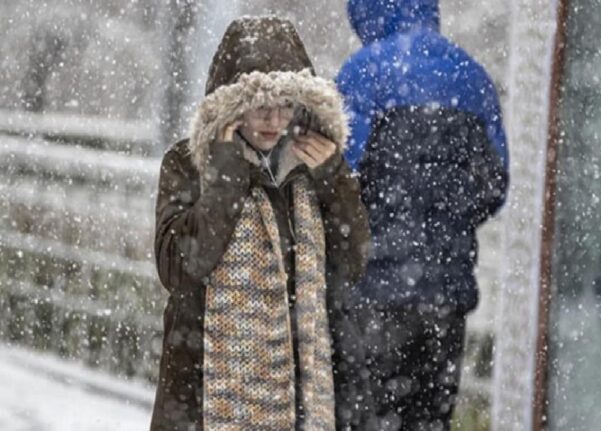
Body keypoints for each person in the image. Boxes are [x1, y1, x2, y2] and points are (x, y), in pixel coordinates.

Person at [150, 16, 372, 431]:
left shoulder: (313, 168)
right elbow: (180, 266)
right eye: (260, 106)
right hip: (201, 396)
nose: (273, 119)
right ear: (232, 106)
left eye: (285, 105)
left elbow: (354, 261)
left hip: (296, 397)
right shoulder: (188, 164)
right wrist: (227, 175)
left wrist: (334, 180)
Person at [336, 0, 509, 429]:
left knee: (365, 417)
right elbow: (494, 186)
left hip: (371, 294)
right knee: (430, 419)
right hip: (445, 298)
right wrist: (442, 229)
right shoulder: (472, 77)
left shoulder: (362, 73)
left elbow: (339, 181)